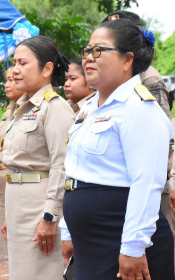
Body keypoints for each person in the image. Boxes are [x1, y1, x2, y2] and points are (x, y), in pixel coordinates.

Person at [61, 19, 173, 279]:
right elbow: (76, 173)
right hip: (90, 240)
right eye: (87, 50)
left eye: (98, 50)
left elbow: (146, 183)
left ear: (127, 60)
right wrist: (68, 232)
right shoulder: (89, 109)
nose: (88, 57)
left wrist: (134, 248)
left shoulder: (140, 109)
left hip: (119, 235)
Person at [1, 35, 75, 280]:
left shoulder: (54, 107)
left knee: (41, 274)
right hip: (16, 202)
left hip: (38, 204)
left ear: (47, 69)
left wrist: (50, 216)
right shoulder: (21, 109)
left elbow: (61, 165)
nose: (16, 70)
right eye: (14, 63)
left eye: (23, 63)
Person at [0, 66, 25, 256]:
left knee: (18, 247)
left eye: (13, 79)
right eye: (6, 79)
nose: (7, 84)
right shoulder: (9, 110)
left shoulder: (30, 110)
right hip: (2, 180)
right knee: (7, 248)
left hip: (18, 180)